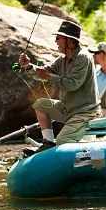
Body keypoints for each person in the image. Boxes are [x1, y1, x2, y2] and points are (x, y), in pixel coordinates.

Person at [18, 20, 100, 154]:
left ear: (69, 41)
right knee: (40, 104)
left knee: (62, 141)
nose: (55, 41)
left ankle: (57, 153)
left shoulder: (83, 58)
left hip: (84, 112)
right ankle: (48, 144)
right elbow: (43, 72)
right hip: (68, 109)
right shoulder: (62, 59)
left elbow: (73, 84)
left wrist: (49, 77)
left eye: (58, 38)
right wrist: (29, 66)